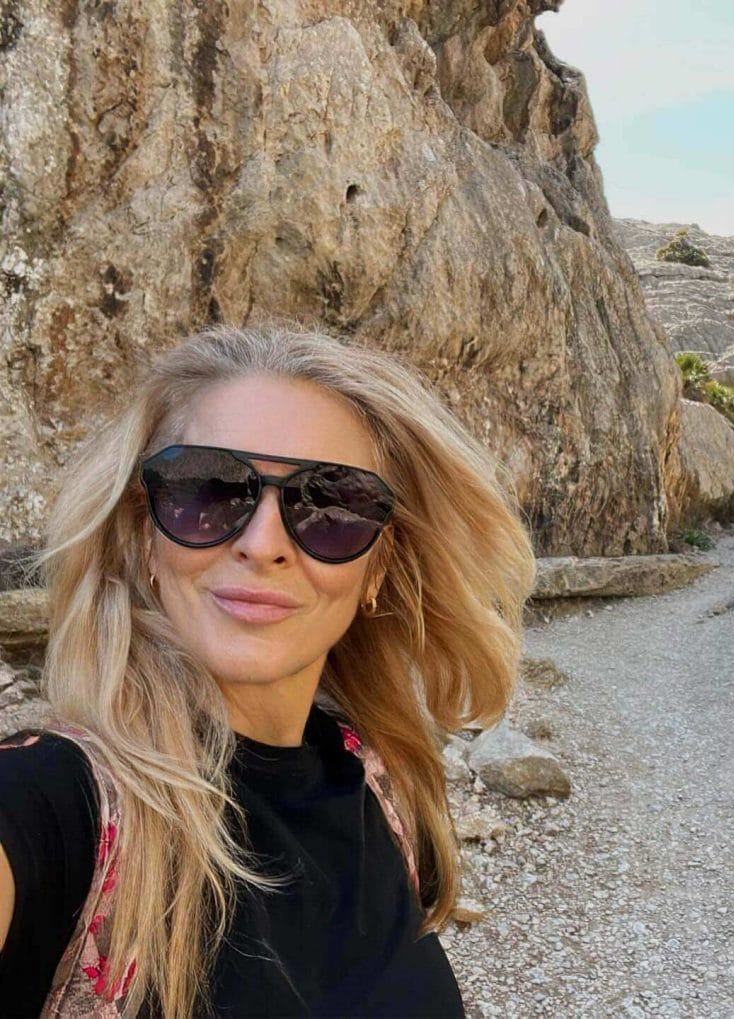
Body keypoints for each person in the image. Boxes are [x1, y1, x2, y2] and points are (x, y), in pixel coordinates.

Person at [0, 323, 537, 1018]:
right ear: (143, 539)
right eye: (209, 489)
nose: (263, 543)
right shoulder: (50, 808)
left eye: (331, 504)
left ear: (376, 565)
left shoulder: (390, 793)